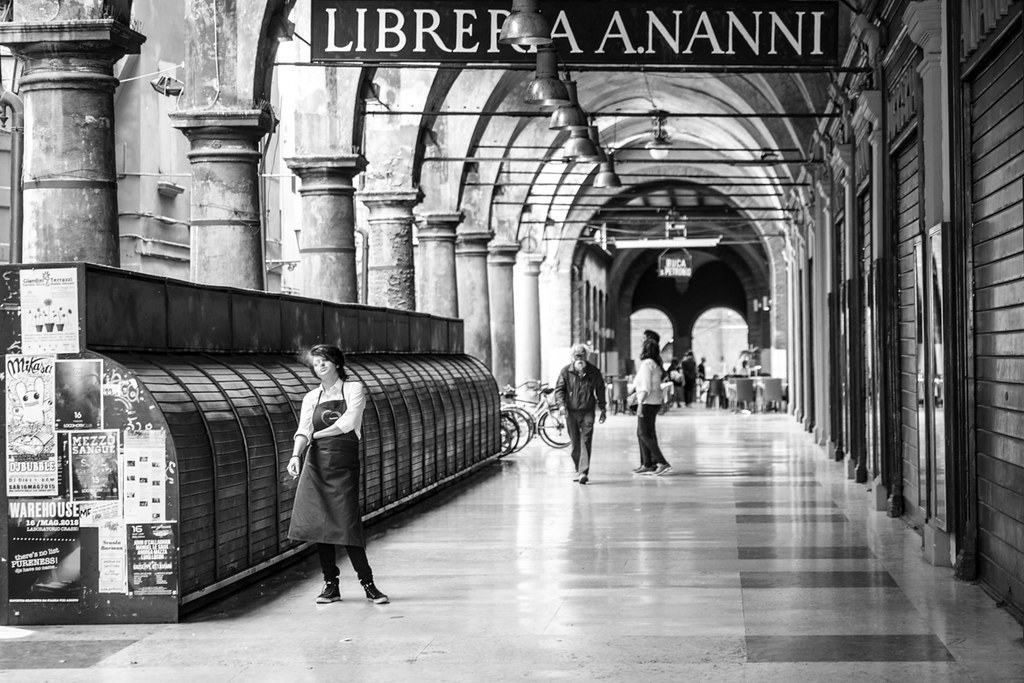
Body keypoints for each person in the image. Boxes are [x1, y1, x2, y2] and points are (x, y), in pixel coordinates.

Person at [287, 344, 390, 605]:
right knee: (321, 526)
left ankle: (368, 584)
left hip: (343, 464)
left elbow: (347, 422)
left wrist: (316, 435)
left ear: (336, 363)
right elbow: (303, 429)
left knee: (347, 524)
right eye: (316, 362)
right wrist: (295, 455)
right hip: (317, 463)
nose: (319, 365)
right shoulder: (311, 397)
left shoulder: (354, 388)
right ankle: (331, 585)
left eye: (325, 361)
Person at [554, 344, 607, 485]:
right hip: (571, 412)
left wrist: (603, 408)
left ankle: (583, 472)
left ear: (586, 356)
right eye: (577, 356)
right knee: (575, 444)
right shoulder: (565, 371)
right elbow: (559, 390)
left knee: (586, 440)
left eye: (582, 356)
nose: (579, 358)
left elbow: (600, 389)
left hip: (588, 411)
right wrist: (561, 405)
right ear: (572, 357)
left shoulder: (594, 372)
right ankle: (579, 469)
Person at [633, 338, 672, 476]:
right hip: (655, 402)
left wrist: (640, 405)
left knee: (644, 434)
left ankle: (661, 462)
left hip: (647, 402)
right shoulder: (655, 364)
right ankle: (647, 463)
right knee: (645, 433)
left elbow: (645, 387)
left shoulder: (646, 364)